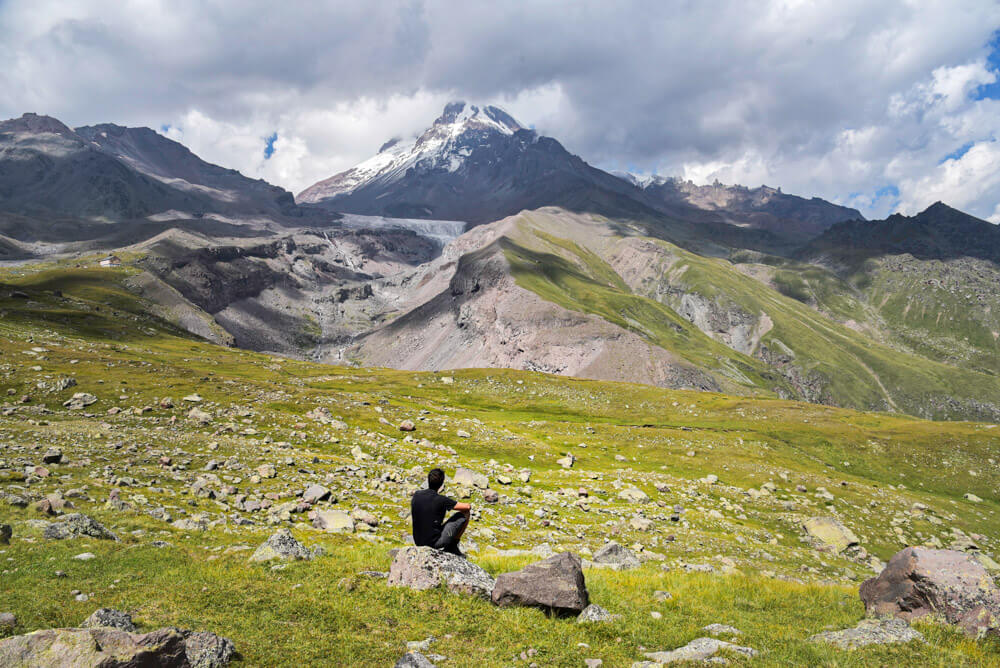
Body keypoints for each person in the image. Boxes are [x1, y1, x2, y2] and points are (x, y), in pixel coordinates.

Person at [410, 468, 471, 557]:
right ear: (442, 483)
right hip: (434, 543)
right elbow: (467, 507)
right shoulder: (441, 500)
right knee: (466, 513)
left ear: (428, 480)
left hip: (418, 541)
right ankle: (453, 546)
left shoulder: (416, 495)